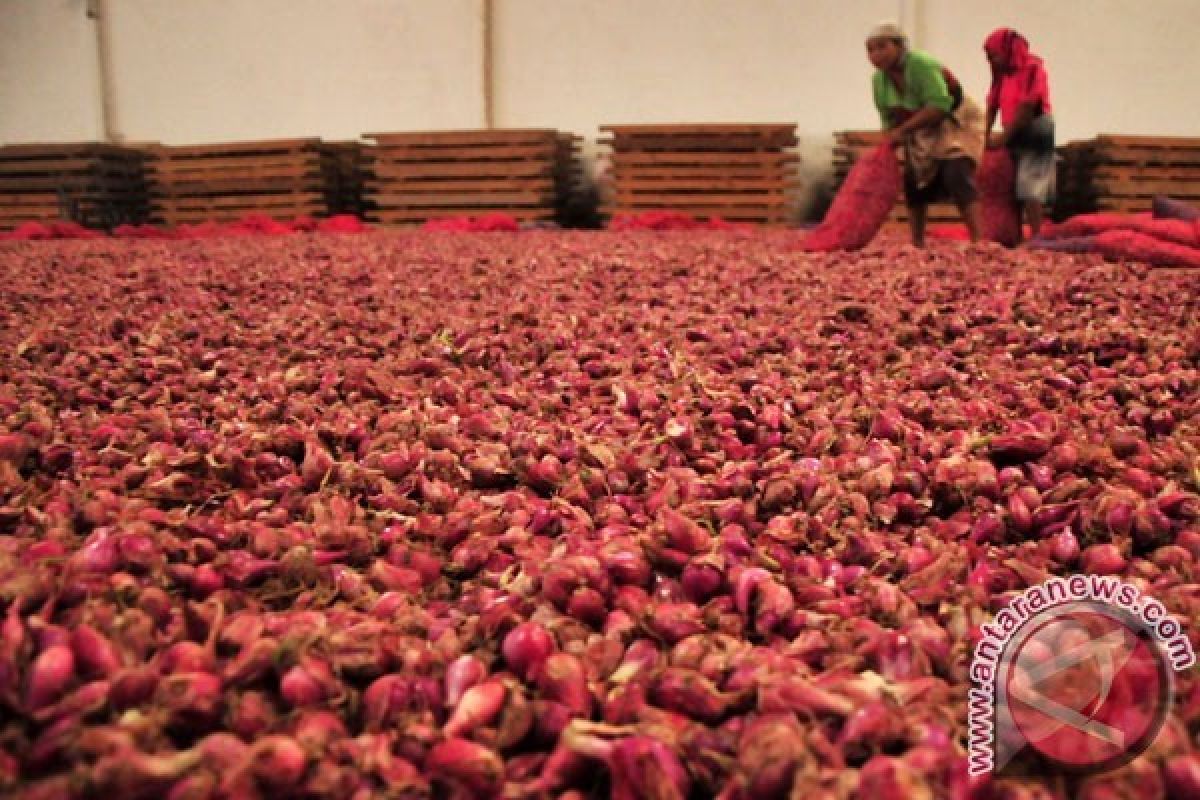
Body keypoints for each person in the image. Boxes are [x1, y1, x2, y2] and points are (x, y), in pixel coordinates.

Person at [866, 22, 986, 247]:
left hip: (955, 121)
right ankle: (917, 242)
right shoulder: (879, 81)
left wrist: (902, 130)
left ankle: (978, 241)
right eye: (870, 50)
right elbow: (888, 118)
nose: (876, 55)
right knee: (913, 180)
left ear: (900, 46)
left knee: (956, 172)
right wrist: (890, 142)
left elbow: (939, 106)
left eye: (882, 47)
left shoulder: (920, 64)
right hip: (920, 127)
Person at [984, 28, 1055, 239]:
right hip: (1011, 128)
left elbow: (1027, 107)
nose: (991, 61)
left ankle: (1036, 236)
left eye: (994, 55)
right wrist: (983, 135)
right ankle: (1014, 235)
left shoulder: (1033, 68)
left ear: (1008, 51)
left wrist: (1003, 137)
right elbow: (992, 105)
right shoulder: (1001, 74)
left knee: (1031, 185)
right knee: (1010, 185)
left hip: (1035, 128)